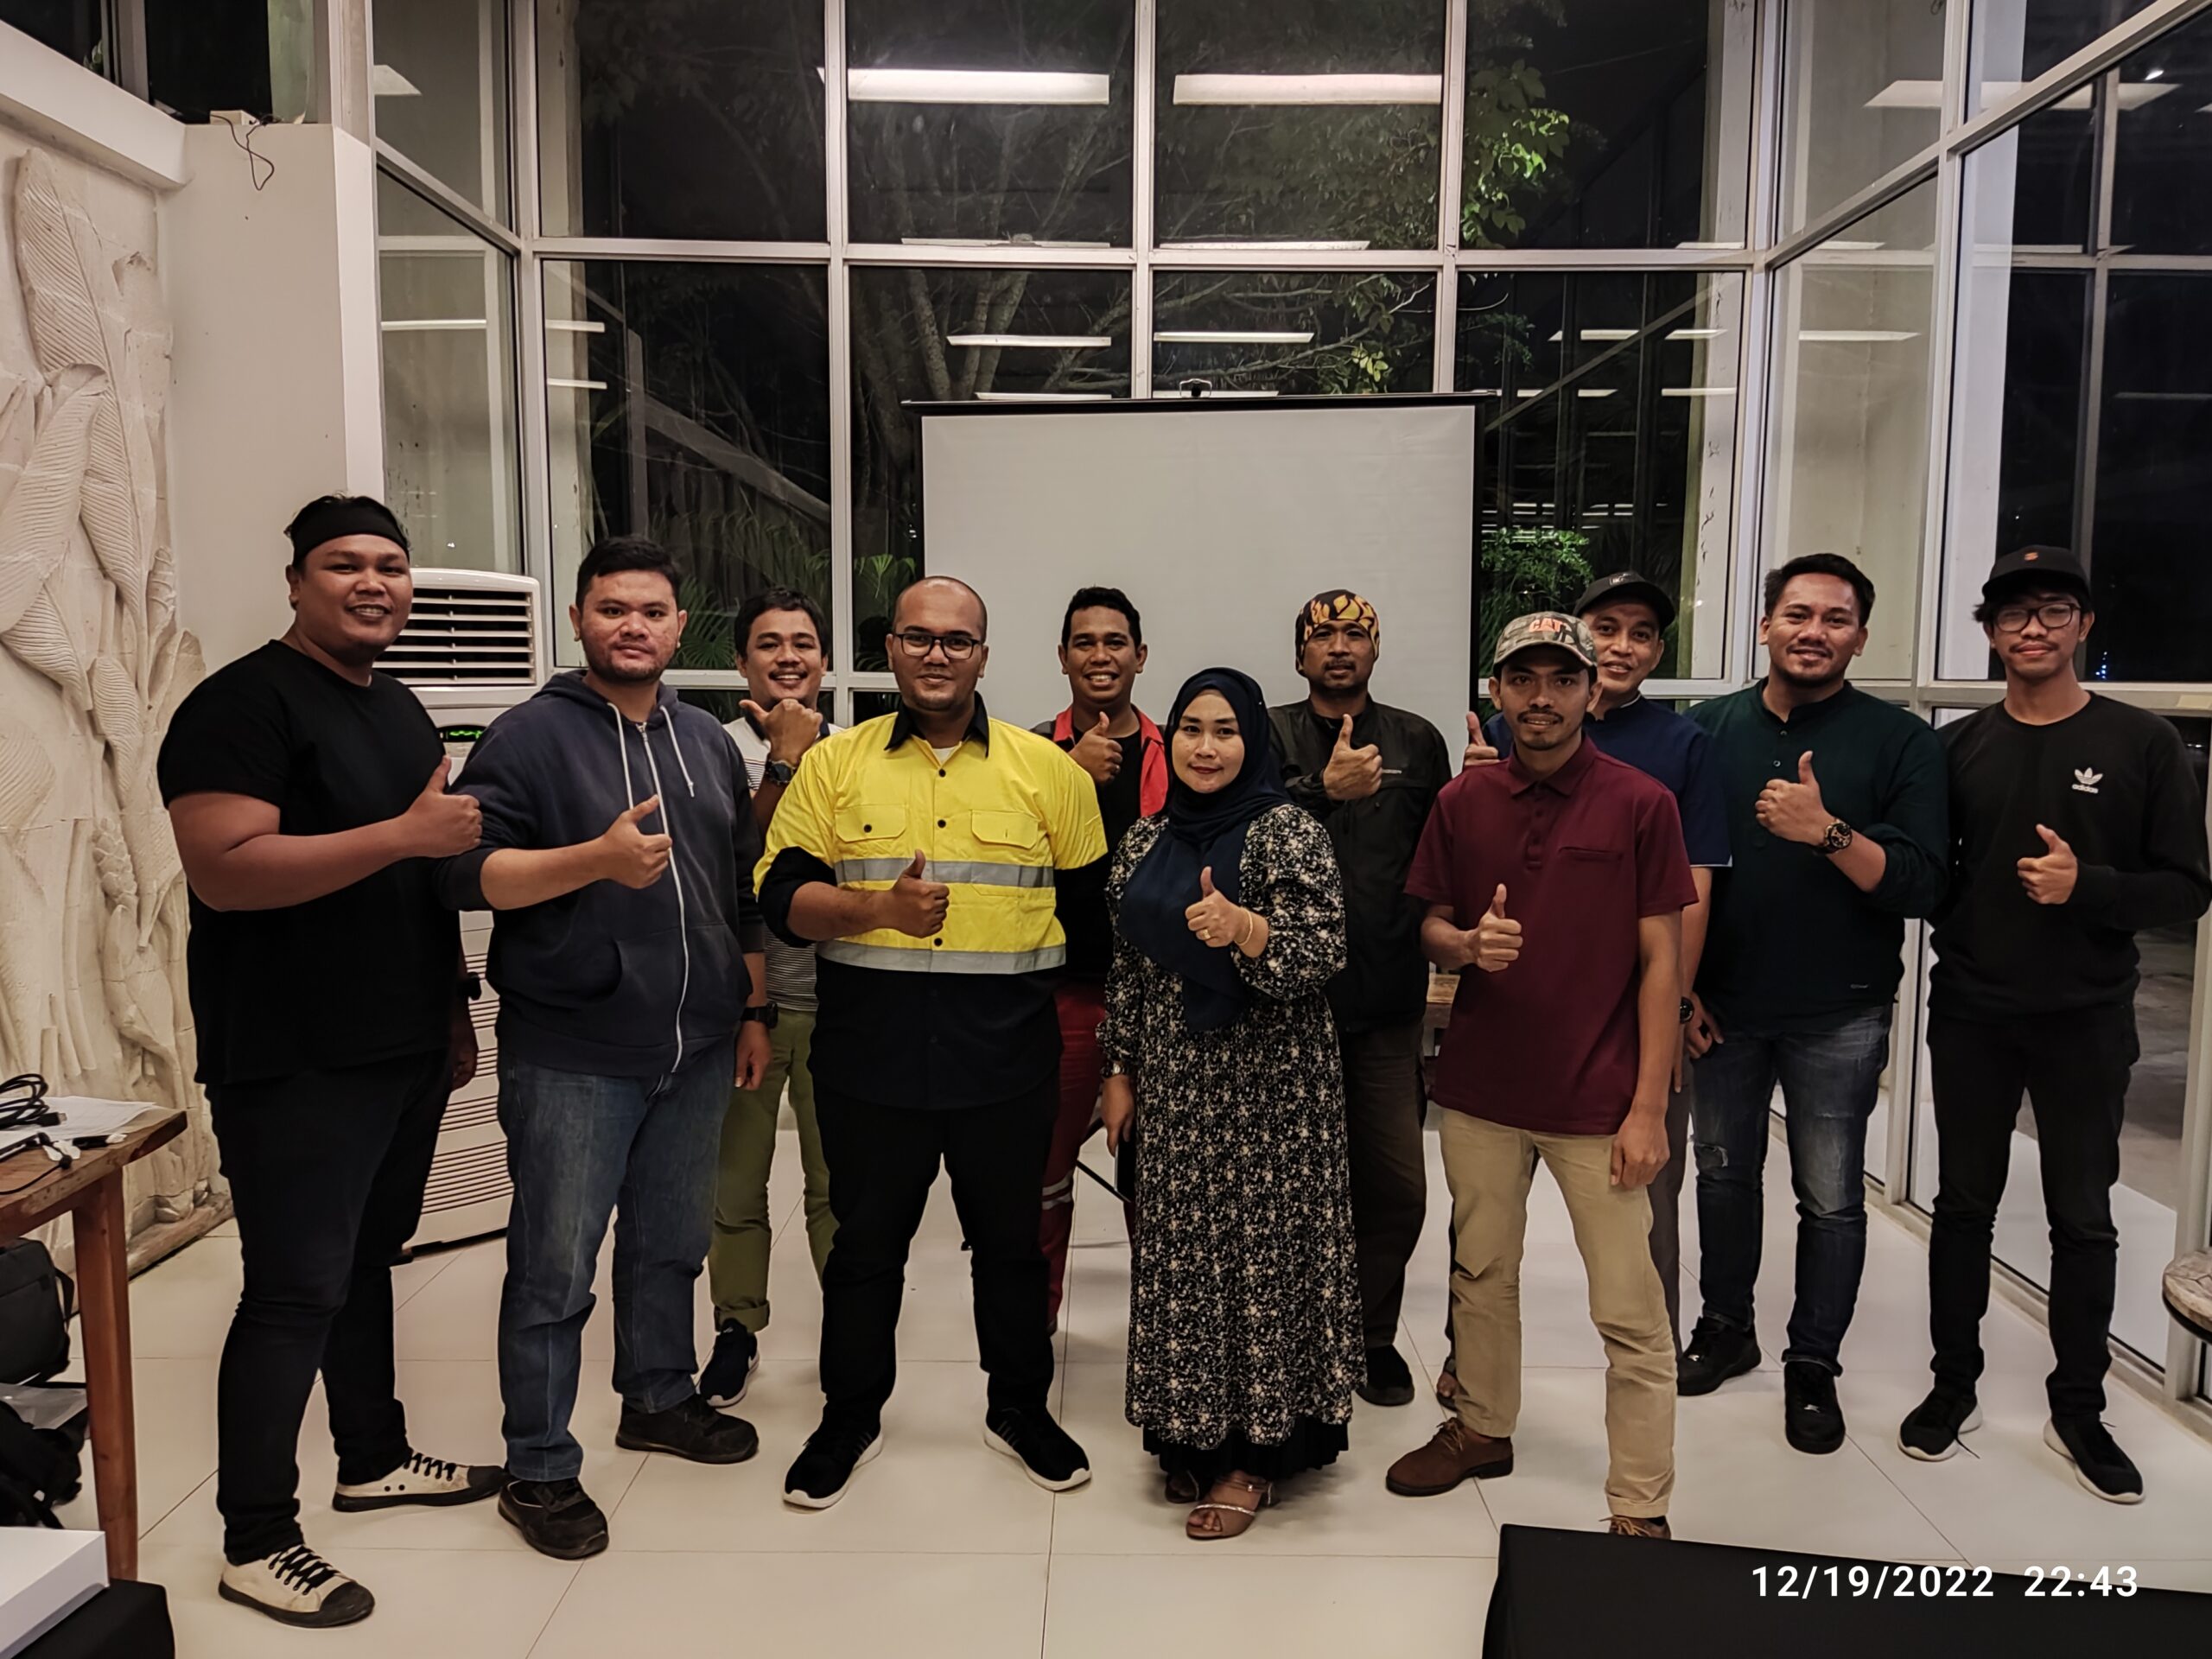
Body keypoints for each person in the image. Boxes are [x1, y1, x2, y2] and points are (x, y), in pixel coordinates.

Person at [159, 494, 504, 1630]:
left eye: (391, 566)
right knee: (294, 1288)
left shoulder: (394, 705)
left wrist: (452, 1014)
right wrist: (404, 835)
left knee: (365, 1261)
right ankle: (256, 1539)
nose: (373, 584)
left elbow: (418, 884)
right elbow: (225, 871)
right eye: (345, 564)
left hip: (400, 1042)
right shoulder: (239, 705)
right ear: (297, 582)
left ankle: (373, 1456)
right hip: (293, 1056)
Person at [432, 535, 774, 1560]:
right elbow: (465, 875)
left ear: (679, 627)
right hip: (574, 1051)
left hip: (696, 1044)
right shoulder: (528, 737)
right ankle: (538, 1465)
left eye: (652, 611)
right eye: (613, 609)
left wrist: (748, 1009)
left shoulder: (705, 739)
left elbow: (737, 885)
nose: (633, 626)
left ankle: (658, 1396)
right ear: (578, 619)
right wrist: (595, 860)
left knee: (671, 1243)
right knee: (554, 1267)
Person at [758, 575, 1107, 1509]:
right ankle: (849, 1417)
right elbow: (781, 901)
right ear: (892, 651)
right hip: (869, 1065)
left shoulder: (1052, 773)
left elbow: (1093, 930)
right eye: (919, 637)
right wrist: (877, 908)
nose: (937, 654)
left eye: (957, 640)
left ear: (984, 655)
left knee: (1012, 1251)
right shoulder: (834, 766)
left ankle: (1018, 1408)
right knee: (865, 1252)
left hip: (1007, 1065)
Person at [1905, 547, 2210, 1498]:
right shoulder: (1957, 748)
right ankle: (1951, 1386)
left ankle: (2079, 1408)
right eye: (2012, 614)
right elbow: (1931, 878)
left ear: (2083, 625)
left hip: (2086, 1017)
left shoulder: (2142, 742)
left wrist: (2091, 887)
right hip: (1971, 1009)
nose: (2032, 628)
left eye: (2052, 610)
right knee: (1962, 1206)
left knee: (2083, 1217)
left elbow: (2187, 888)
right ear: (1989, 633)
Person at [1385, 613, 1694, 1538]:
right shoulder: (1462, 802)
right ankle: (1482, 1426)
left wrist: (1649, 1107)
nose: (1542, 698)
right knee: (1481, 1273)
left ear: (1593, 692)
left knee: (1629, 1309)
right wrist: (1464, 946)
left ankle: (1639, 1503)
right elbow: (1430, 924)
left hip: (1599, 1100)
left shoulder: (1641, 803)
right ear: (1497, 691)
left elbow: (1662, 961)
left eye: (1563, 679)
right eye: (1523, 680)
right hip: (1482, 1092)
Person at [1677, 553, 1948, 1457]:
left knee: (1829, 1197)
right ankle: (1726, 1327)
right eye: (1797, 614)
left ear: (1860, 639)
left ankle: (1813, 1362)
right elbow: (1671, 872)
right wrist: (1680, 992)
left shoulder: (1899, 741)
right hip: (1721, 1006)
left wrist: (1824, 831)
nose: (1814, 631)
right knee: (1723, 1177)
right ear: (1764, 626)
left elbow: (1919, 884)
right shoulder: (1705, 730)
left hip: (1841, 1010)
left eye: (1836, 619)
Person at [1097, 667, 1359, 1538]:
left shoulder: (1288, 832)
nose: (1205, 748)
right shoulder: (1146, 839)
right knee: (1186, 1262)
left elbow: (1321, 952)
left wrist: (1246, 928)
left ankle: (1256, 1454)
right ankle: (1192, 1431)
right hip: (1177, 1091)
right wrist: (1118, 1071)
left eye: (1225, 731)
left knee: (1264, 1265)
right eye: (1190, 729)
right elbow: (1129, 967)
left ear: (1254, 742)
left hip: (1273, 1097)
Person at [1461, 571, 1730, 1358]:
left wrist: (1675, 1012)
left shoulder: (1677, 751)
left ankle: (1653, 1350)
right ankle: (1468, 1371)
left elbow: (1690, 894)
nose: (1622, 647)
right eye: (1606, 627)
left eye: (1641, 633)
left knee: (1640, 1215)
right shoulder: (1505, 732)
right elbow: (1471, 883)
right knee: (1481, 1237)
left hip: (1624, 1028)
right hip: (1509, 1039)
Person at [1268, 590, 1450, 1408]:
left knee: (1396, 1190)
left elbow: (1441, 857)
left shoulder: (1417, 740)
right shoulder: (1262, 734)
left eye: (1355, 634)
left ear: (1375, 650)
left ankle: (1370, 1336)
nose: (1338, 646)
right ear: (1299, 654)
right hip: (1281, 1009)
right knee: (1287, 1191)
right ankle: (1292, 1338)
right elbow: (1238, 832)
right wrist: (1321, 789)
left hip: (1385, 1004)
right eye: (1322, 635)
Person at [697, 588, 841, 1408]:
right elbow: (732, 865)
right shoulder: (708, 750)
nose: (788, 657)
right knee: (735, 1186)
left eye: (803, 642)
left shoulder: (858, 752)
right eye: (769, 643)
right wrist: (782, 760)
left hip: (837, 1005)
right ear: (740, 661)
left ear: (825, 658)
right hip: (742, 1009)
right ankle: (736, 1327)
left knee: (837, 1187)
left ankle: (846, 1331)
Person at [1033, 587, 1165, 1327]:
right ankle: (1036, 1323)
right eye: (1084, 642)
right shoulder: (1028, 753)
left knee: (1157, 1173)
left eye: (1115, 642)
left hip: (1160, 999)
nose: (1100, 655)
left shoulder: (1180, 752)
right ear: (1062, 658)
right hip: (1063, 993)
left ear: (1140, 656)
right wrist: (1066, 772)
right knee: (1046, 1169)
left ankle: (1164, 1331)